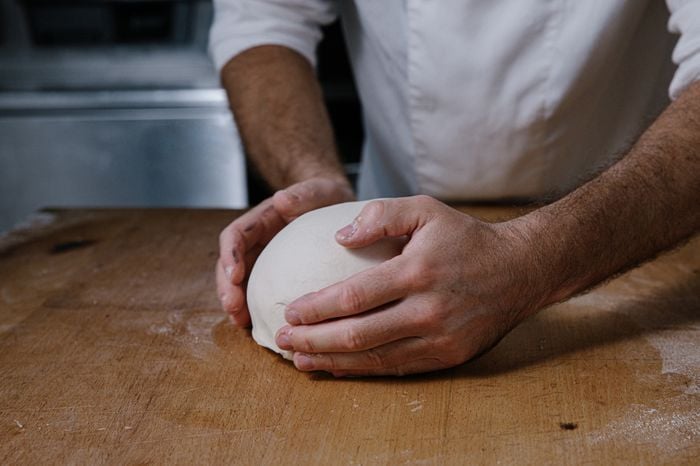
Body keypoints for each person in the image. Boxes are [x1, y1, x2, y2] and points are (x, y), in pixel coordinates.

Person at [210, 1, 700, 376]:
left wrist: (532, 260)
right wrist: (310, 181)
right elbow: (264, 20)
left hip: (631, 223)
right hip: (383, 211)